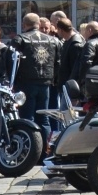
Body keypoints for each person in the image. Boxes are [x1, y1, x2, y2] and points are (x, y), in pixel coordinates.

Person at [12, 13, 60, 145]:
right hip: (46, 83)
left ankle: (30, 149)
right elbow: (58, 62)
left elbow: (12, 63)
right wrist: (54, 80)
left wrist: (13, 82)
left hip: (26, 83)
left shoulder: (20, 39)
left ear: (24, 25)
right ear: (39, 24)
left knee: (27, 118)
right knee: (44, 119)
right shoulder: (53, 40)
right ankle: (46, 150)